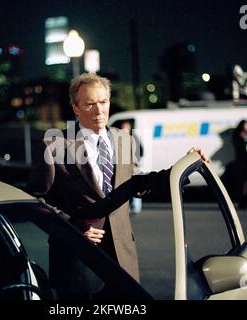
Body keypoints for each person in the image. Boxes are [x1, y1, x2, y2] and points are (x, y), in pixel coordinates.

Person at [27, 73, 209, 300]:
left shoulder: (124, 139)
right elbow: (35, 201)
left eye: (103, 102)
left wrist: (182, 166)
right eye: (90, 104)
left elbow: (135, 182)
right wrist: (72, 227)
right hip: (77, 259)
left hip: (122, 259)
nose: (98, 110)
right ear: (75, 108)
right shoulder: (53, 145)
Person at [120, 120, 143, 216]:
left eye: (125, 127)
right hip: (124, 166)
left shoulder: (134, 138)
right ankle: (130, 207)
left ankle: (136, 207)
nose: (124, 129)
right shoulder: (119, 138)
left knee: (136, 184)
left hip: (132, 165)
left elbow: (140, 150)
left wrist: (135, 161)